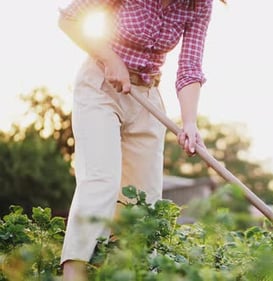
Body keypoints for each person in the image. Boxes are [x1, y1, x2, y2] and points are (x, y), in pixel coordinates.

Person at [57, 0, 219, 279]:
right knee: (101, 180)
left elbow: (190, 66)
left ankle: (125, 271)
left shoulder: (199, 4)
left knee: (144, 202)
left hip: (147, 99)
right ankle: (74, 272)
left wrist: (189, 122)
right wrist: (110, 59)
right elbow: (70, 19)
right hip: (101, 86)